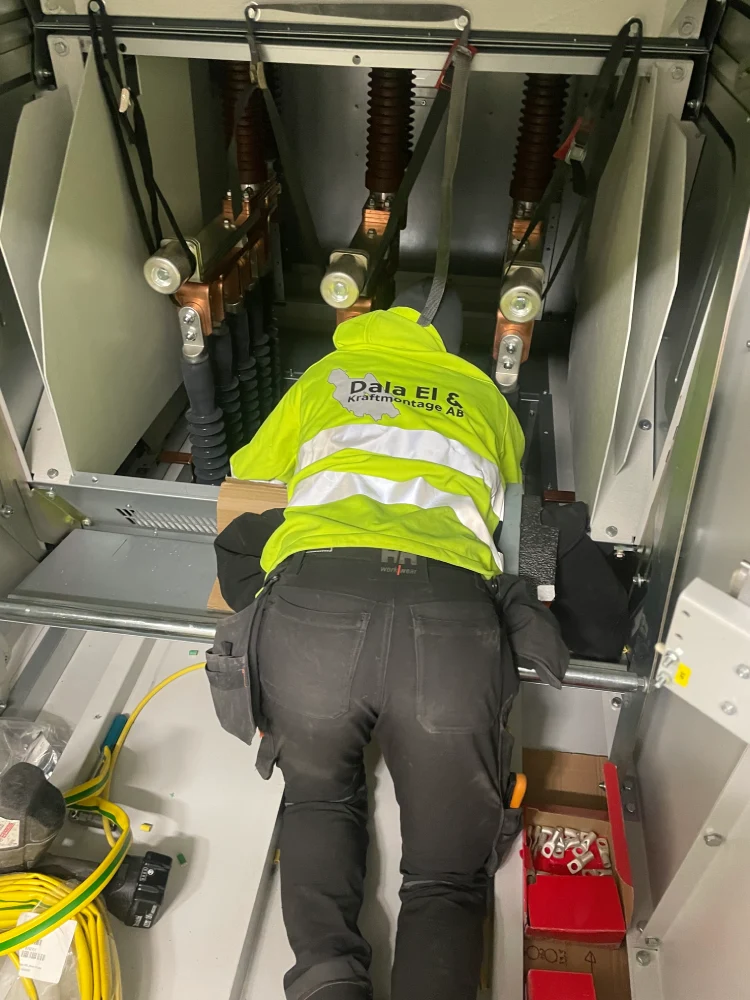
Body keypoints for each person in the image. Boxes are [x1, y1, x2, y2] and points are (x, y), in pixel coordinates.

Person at [215, 280, 568, 1000]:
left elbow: (247, 469)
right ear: (451, 344)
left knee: (318, 801)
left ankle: (329, 986)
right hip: (449, 623)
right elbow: (508, 500)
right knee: (446, 877)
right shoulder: (488, 399)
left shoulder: (328, 374)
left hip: (314, 611)